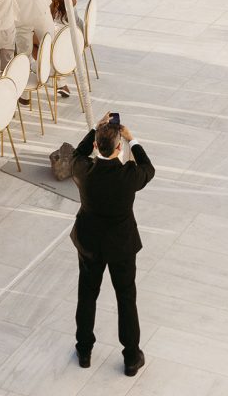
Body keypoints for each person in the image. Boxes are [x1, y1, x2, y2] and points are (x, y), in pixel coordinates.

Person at [70, 112, 155, 377]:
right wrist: (133, 140)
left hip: (90, 243)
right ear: (119, 147)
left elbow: (77, 154)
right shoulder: (128, 175)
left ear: (96, 146)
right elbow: (149, 169)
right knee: (126, 298)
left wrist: (95, 130)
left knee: (87, 295)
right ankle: (131, 357)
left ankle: (84, 350)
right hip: (121, 246)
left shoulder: (83, 171)